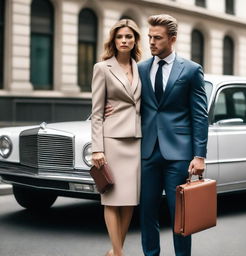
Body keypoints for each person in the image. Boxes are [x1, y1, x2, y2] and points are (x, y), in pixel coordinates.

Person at [138, 14, 208, 256]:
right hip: (147, 152)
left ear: (172, 39)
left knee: (180, 214)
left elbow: (200, 116)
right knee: (147, 211)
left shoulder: (191, 70)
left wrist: (199, 155)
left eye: (157, 38)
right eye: (149, 37)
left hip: (178, 153)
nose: (151, 42)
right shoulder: (140, 69)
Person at [90, 19, 142, 256]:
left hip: (135, 140)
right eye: (120, 37)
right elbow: (96, 112)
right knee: (111, 200)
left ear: (134, 41)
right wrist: (97, 148)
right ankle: (120, 254)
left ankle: (114, 251)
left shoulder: (142, 67)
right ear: (114, 40)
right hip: (111, 141)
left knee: (130, 200)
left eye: (129, 37)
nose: (124, 40)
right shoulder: (102, 68)